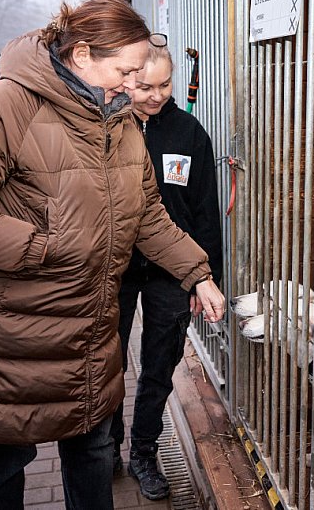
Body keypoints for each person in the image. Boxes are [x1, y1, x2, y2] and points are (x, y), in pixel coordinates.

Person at [0, 0, 224, 510]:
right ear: (82, 55)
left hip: (87, 330)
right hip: (9, 334)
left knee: (96, 450)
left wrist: (197, 273)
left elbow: (147, 213)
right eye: (125, 71)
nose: (132, 85)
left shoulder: (119, 121)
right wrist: (43, 250)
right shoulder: (6, 107)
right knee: (3, 463)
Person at [109, 43, 223, 500]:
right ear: (126, 79)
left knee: (159, 365)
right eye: (144, 86)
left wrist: (205, 275)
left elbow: (204, 211)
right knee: (106, 363)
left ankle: (143, 453)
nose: (156, 96)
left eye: (165, 85)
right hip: (115, 267)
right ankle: (105, 449)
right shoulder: (109, 128)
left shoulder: (188, 132)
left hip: (170, 271)